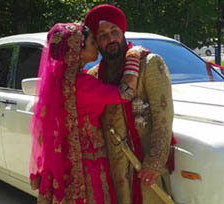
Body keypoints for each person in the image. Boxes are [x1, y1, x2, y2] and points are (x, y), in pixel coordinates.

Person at [29, 22, 145, 204]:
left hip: (62, 163)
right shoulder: (83, 84)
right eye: (92, 43)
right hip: (88, 162)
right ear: (78, 50)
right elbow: (126, 93)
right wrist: (133, 57)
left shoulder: (56, 83)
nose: (98, 46)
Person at [84, 4, 175, 204]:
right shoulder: (94, 77)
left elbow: (164, 118)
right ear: (97, 42)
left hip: (144, 167)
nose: (110, 39)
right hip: (111, 170)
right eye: (103, 36)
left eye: (114, 32)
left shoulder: (149, 64)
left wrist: (155, 162)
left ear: (122, 32)